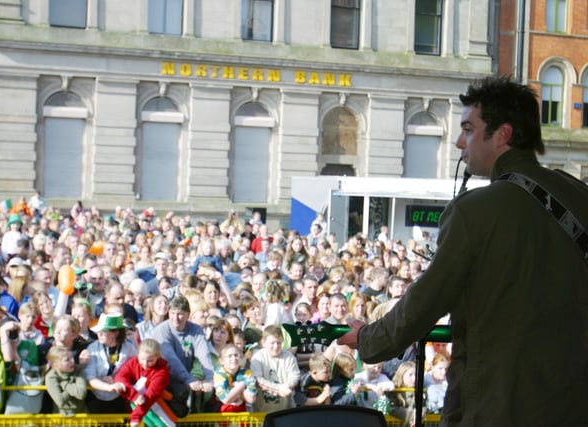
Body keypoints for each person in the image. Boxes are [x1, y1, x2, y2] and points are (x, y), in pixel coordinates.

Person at [338, 76, 588, 425]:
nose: (459, 142)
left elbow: (424, 303)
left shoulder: (474, 210)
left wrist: (367, 338)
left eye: (469, 129)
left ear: (502, 135)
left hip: (498, 404)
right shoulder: (577, 194)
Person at [150, 295, 214, 415]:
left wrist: (210, 377)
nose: (175, 318)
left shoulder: (195, 329)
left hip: (186, 382)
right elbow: (170, 359)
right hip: (165, 383)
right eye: (172, 313)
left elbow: (203, 353)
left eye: (180, 314)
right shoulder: (162, 330)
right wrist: (188, 379)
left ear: (188, 315)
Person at [84, 313, 137, 413]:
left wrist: (117, 380)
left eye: (103, 331)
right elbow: (90, 377)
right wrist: (109, 387)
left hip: (120, 398)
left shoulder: (129, 349)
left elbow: (134, 373)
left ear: (116, 333)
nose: (98, 334)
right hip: (96, 398)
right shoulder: (92, 348)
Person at [114, 338, 170, 427]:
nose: (145, 363)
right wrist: (134, 396)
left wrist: (136, 416)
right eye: (142, 359)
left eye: (150, 360)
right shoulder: (133, 362)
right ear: (138, 354)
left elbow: (151, 395)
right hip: (142, 405)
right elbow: (120, 377)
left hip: (158, 404)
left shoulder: (161, 371)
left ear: (158, 356)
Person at [250, 325, 300, 413]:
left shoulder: (289, 357)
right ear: (263, 342)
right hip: (261, 411)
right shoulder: (258, 358)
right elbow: (257, 380)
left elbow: (295, 375)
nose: (276, 346)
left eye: (279, 343)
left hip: (285, 409)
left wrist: (287, 386)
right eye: (272, 343)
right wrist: (279, 388)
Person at [213, 343, 257, 415]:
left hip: (242, 411)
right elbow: (225, 399)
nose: (233, 358)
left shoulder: (246, 372)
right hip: (223, 413)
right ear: (222, 361)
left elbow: (251, 398)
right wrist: (241, 386)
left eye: (236, 355)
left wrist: (237, 386)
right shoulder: (219, 373)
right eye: (229, 356)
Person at [45, 346, 87, 415]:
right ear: (56, 364)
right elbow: (60, 401)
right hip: (62, 417)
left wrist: (64, 384)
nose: (72, 361)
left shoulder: (78, 369)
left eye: (72, 357)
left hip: (82, 415)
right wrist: (72, 388)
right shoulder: (51, 376)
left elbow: (81, 393)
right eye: (67, 360)